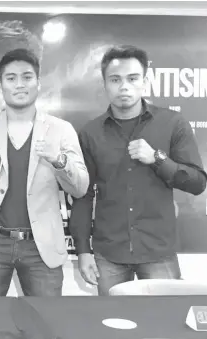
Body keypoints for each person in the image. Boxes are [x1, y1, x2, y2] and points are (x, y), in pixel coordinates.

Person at [0, 48, 89, 296]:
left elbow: (80, 187)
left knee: (46, 325)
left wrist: (59, 160)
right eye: (11, 78)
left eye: (27, 77)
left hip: (41, 246)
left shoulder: (61, 130)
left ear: (38, 83)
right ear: (0, 85)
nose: (20, 84)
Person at [69, 45, 207, 296]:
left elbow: (197, 183)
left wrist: (157, 158)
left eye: (132, 78)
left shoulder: (172, 124)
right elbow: (83, 195)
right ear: (105, 85)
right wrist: (82, 251)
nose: (124, 86)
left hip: (158, 252)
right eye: (115, 79)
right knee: (111, 328)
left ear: (145, 81)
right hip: (109, 253)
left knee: (163, 328)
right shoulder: (90, 133)